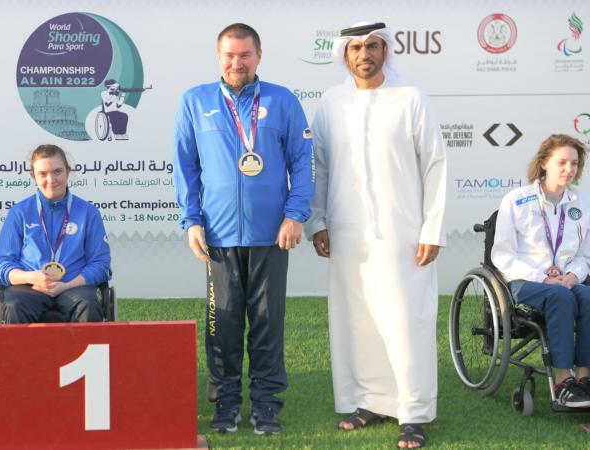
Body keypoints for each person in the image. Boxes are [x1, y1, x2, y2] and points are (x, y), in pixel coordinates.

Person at [304, 22, 447, 449]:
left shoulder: (411, 99)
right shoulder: (331, 103)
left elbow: (435, 165)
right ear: (344, 55)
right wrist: (318, 222)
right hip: (347, 233)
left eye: (371, 46)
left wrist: (433, 228)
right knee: (358, 319)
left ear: (385, 51)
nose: (363, 54)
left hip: (403, 233)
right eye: (355, 48)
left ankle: (413, 413)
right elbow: (320, 168)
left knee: (405, 321)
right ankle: (369, 401)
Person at [173, 23, 314, 435]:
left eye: (245, 55)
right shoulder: (195, 102)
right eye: (230, 55)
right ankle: (226, 405)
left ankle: (267, 405)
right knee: (223, 324)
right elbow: (186, 167)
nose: (237, 62)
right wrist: (192, 221)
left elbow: (301, 163)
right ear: (219, 57)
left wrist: (295, 215)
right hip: (217, 238)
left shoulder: (283, 101)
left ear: (259, 56)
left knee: (269, 323)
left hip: (272, 235)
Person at [492, 134, 590, 408]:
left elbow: (584, 255)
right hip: (526, 281)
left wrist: (573, 276)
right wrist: (545, 277)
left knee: (586, 295)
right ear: (545, 162)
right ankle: (563, 381)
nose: (569, 169)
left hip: (566, 282)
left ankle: (584, 379)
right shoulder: (517, 200)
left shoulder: (583, 202)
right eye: (562, 162)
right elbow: (502, 255)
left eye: (574, 163)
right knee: (561, 297)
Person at [0, 144, 111, 324]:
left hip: (75, 287)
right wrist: (31, 277)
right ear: (33, 176)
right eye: (43, 174)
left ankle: (88, 354)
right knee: (14, 304)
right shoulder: (19, 213)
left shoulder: (88, 213)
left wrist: (68, 285)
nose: (51, 179)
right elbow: (3, 264)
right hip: (29, 287)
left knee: (88, 304)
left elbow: (100, 264)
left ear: (68, 172)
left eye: (57, 171)